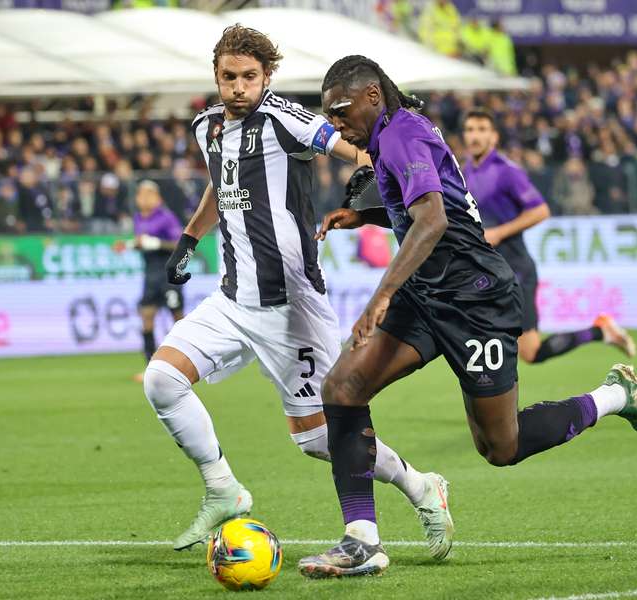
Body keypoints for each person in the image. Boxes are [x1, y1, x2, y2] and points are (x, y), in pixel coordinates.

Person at [297, 55, 637, 578]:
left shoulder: (403, 137)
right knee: (343, 388)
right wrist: (365, 215)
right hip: (426, 295)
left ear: (373, 95)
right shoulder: (390, 133)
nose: (334, 122)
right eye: (328, 113)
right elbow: (422, 203)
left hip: (476, 301)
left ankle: (615, 396)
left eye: (341, 110)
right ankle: (362, 541)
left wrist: (381, 296)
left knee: (501, 446)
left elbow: (434, 220)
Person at [142, 26, 453, 558]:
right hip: (233, 299)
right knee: (162, 380)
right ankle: (223, 490)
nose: (238, 87)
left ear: (267, 78)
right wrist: (189, 238)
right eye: (228, 77)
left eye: (249, 77)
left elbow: (349, 142)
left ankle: (421, 486)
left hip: (293, 308)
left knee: (318, 439)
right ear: (216, 77)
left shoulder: (285, 116)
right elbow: (222, 182)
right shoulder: (207, 129)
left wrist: (362, 171)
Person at [461, 109, 636, 365]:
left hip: (515, 270)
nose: (474, 136)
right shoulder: (464, 171)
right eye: (470, 130)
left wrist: (499, 232)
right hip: (487, 270)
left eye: (481, 129)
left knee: (530, 353)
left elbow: (541, 210)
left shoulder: (506, 171)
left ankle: (601, 330)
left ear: (494, 136)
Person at [120, 180, 186, 381]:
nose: (143, 198)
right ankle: (151, 367)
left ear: (157, 198)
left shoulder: (166, 217)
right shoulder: (139, 218)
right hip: (150, 273)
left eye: (148, 194)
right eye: (140, 194)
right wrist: (130, 245)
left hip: (168, 272)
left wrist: (153, 242)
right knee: (147, 316)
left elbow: (178, 243)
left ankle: (186, 363)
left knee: (178, 318)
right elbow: (143, 243)